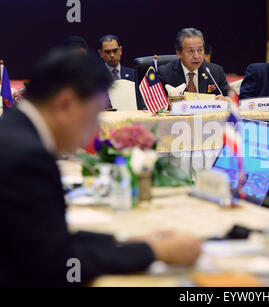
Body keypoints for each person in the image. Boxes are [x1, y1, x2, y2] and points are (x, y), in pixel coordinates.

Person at [0, 49, 202, 286]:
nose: (95, 129)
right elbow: (57, 262)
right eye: (94, 116)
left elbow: (51, 239)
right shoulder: (26, 156)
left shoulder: (15, 134)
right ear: (65, 104)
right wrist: (154, 252)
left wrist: (128, 243)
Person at [158, 28, 230, 101]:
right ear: (179, 53)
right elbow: (153, 103)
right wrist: (170, 103)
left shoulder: (216, 72)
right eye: (191, 51)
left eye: (200, 50)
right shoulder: (164, 74)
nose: (196, 56)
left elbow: (230, 97)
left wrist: (225, 100)